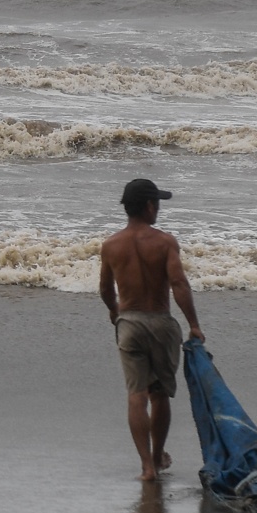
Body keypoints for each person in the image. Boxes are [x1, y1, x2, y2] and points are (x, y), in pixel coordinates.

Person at [98, 177, 203, 481]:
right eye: (156, 203)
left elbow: (105, 289)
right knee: (159, 395)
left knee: (136, 394)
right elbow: (179, 283)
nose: (158, 208)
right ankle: (158, 457)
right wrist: (194, 325)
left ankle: (146, 467)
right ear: (147, 206)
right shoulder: (165, 242)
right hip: (161, 323)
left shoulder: (111, 245)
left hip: (129, 323)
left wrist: (114, 311)